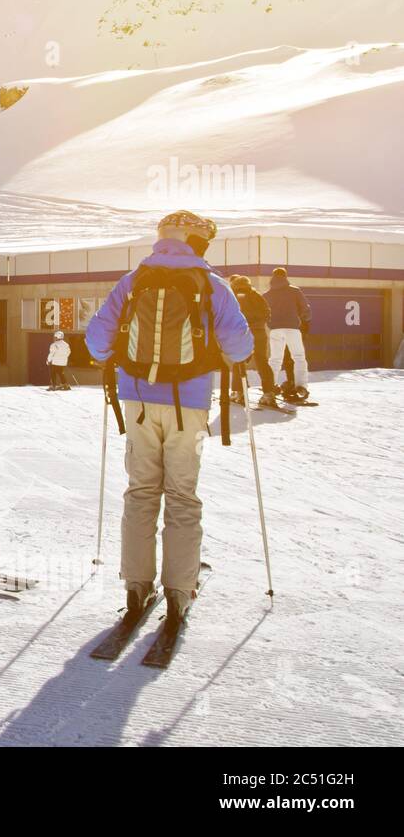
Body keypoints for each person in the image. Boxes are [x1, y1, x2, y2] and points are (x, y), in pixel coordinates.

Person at [85, 211, 252, 635]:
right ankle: (179, 590)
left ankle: (136, 586)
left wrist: (116, 361)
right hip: (190, 404)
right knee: (182, 495)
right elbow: (239, 344)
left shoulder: (134, 280)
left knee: (140, 491)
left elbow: (97, 339)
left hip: (136, 399)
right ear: (197, 242)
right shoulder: (211, 283)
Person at [229, 275, 279, 407]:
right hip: (259, 333)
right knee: (262, 361)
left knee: (238, 361)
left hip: (242, 333)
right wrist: (259, 324)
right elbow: (267, 312)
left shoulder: (233, 296)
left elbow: (229, 316)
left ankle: (238, 392)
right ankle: (269, 393)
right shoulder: (257, 296)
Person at [264, 267, 312, 403]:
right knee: (299, 357)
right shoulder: (295, 291)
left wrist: (270, 323)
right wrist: (305, 321)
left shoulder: (267, 294)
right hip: (292, 328)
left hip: (275, 330)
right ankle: (301, 385)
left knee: (275, 359)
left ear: (272, 277)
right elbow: (305, 309)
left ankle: (271, 386)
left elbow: (263, 312)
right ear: (285, 276)